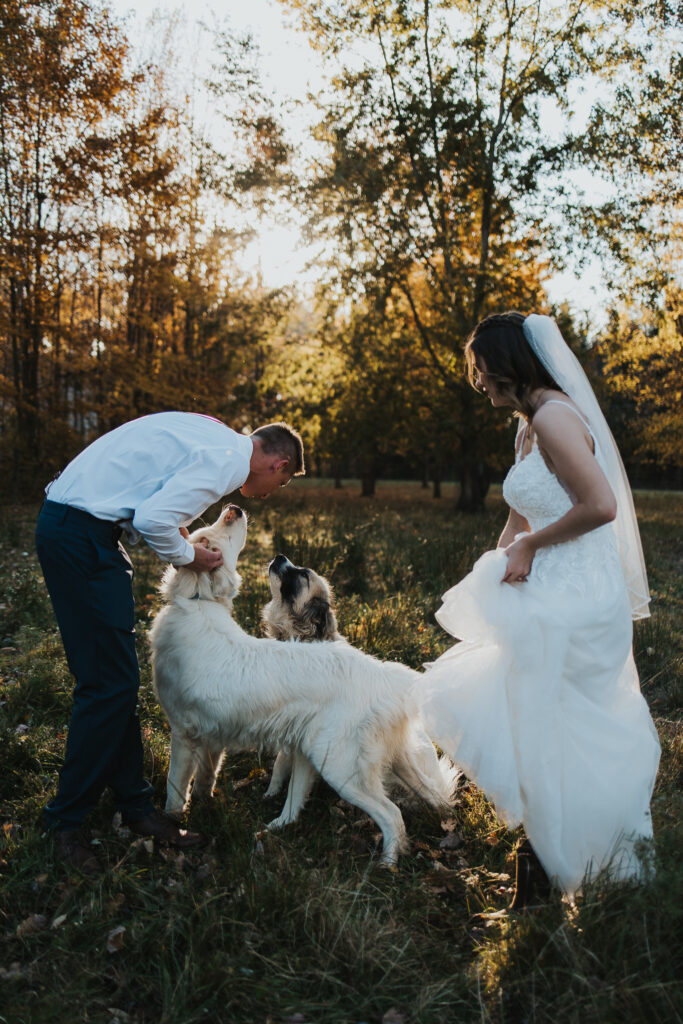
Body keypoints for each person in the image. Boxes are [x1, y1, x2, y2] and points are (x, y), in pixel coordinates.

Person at [419, 312, 660, 905]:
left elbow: (600, 506)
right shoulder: (528, 427)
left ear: (508, 363)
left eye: (481, 367)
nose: (477, 380)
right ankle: (547, 865)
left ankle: (572, 866)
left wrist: (528, 548)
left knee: (559, 726)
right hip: (543, 589)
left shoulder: (555, 417)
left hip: (579, 595)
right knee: (531, 720)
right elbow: (519, 517)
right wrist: (494, 567)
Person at [35, 412, 305, 874]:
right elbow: (152, 518)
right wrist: (190, 555)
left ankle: (136, 807)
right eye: (278, 485)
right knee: (104, 687)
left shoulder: (217, 436)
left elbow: (153, 505)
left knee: (119, 683)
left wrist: (176, 535)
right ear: (278, 466)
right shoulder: (226, 462)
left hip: (92, 533)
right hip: (77, 535)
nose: (267, 494)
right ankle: (64, 822)